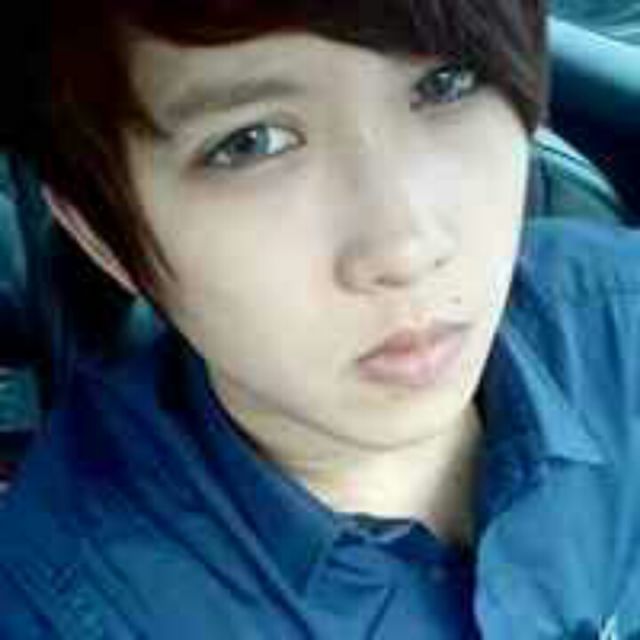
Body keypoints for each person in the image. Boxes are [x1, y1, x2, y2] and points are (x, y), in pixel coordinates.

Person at [1, 0, 639, 637]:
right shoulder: (71, 609)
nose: (406, 248)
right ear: (103, 238)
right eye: (251, 144)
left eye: (447, 83)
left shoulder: (622, 316)